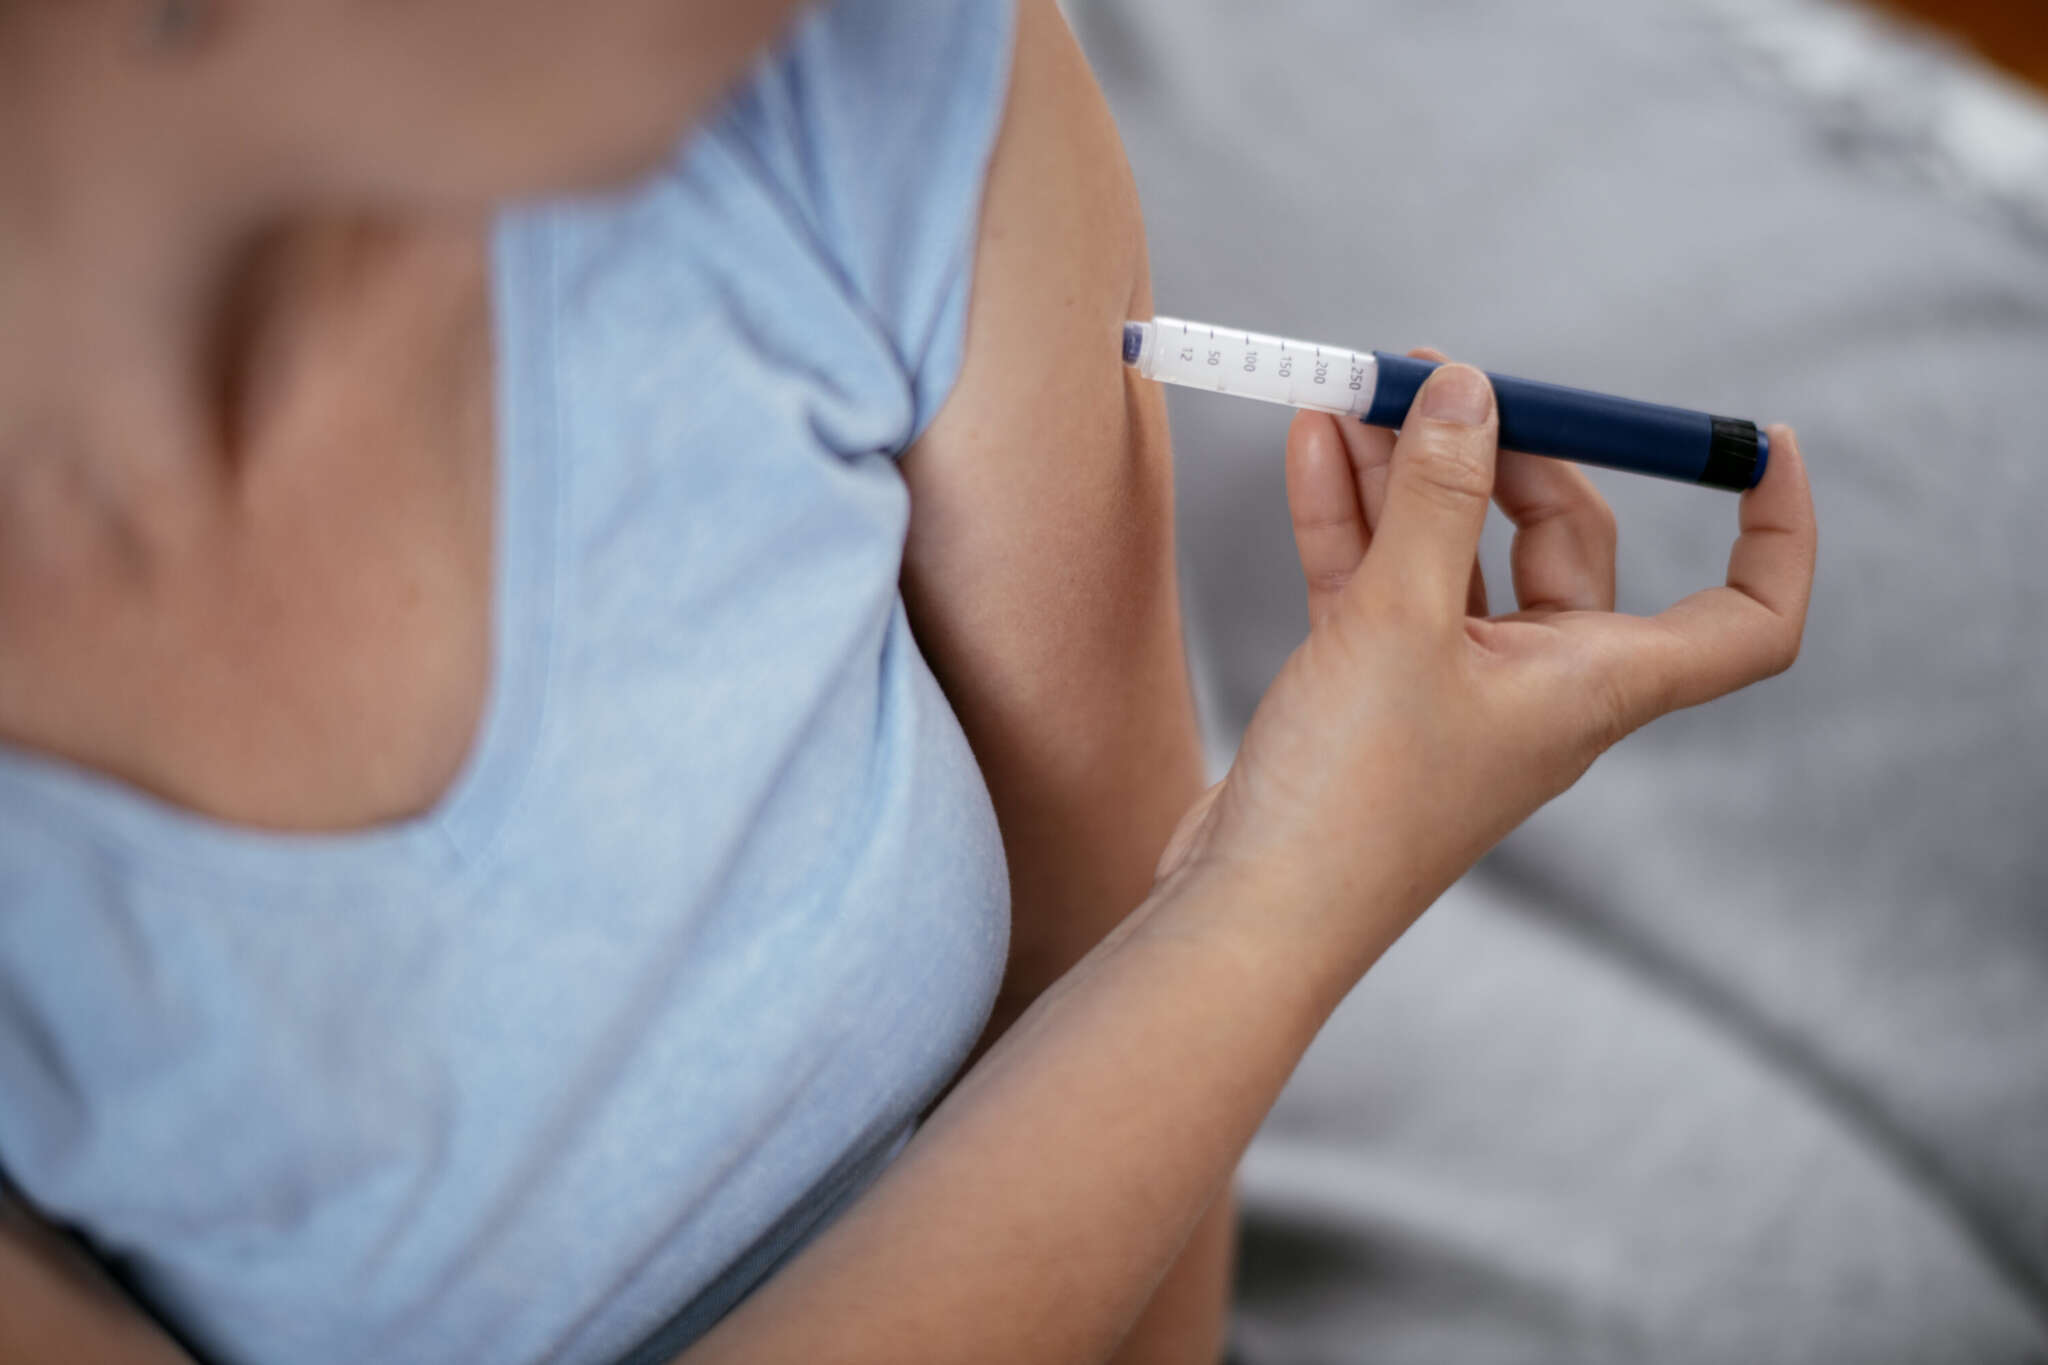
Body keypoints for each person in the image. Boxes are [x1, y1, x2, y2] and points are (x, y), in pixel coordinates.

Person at [0, 0, 1816, 1361]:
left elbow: (1139, 1141)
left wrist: (1257, 898)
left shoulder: (877, 75)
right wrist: (1289, 902)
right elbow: (1178, 963)